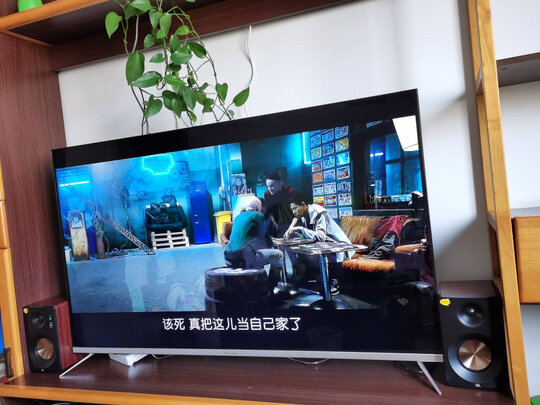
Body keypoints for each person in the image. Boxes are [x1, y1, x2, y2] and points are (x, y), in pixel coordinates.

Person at [284, 199, 354, 293]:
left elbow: (321, 236)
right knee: (301, 253)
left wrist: (301, 230)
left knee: (314, 255)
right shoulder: (305, 215)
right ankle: (311, 280)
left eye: (295, 208)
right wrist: (298, 233)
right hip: (326, 244)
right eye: (292, 210)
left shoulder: (318, 212)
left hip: (339, 245)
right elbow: (313, 235)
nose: (293, 212)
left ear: (303, 204)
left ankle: (332, 282)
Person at [224, 196, 283, 286]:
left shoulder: (237, 217)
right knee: (278, 255)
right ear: (258, 207)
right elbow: (266, 239)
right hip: (243, 257)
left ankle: (257, 282)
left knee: (257, 252)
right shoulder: (258, 216)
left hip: (228, 257)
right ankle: (271, 285)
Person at [262, 171, 297, 237]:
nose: (269, 189)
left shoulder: (290, 191)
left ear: (279, 183)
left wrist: (291, 226)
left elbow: (297, 212)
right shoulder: (267, 194)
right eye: (268, 186)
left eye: (272, 186)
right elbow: (269, 210)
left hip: (291, 221)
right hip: (277, 224)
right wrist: (274, 223)